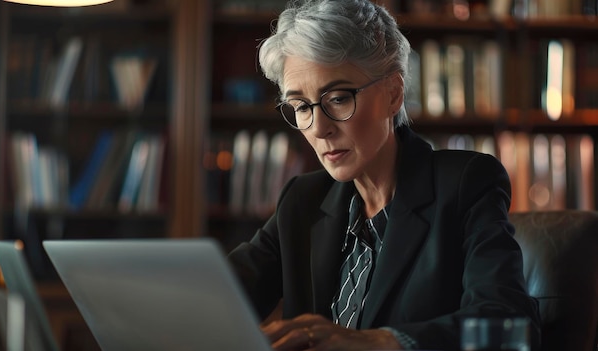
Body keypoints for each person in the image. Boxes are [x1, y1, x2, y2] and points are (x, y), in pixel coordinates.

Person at [227, 0, 541, 350]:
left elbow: (509, 323)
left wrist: (381, 342)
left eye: (339, 99)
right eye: (301, 106)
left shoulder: (465, 184)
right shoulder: (303, 199)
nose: (319, 128)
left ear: (394, 93)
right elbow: (218, 295)